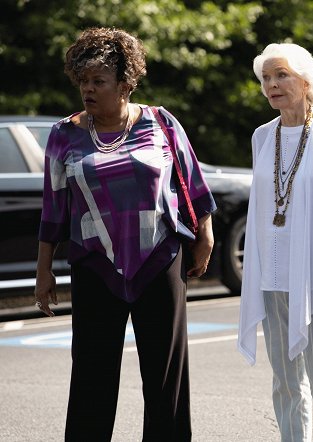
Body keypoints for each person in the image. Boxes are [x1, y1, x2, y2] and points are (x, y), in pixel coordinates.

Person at [34, 27, 216, 441]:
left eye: (99, 81)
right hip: (94, 264)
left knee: (165, 378)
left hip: (159, 260)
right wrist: (44, 271)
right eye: (83, 81)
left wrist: (204, 236)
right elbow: (53, 210)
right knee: (91, 377)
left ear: (126, 83)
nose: (88, 89)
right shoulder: (65, 135)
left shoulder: (161, 122)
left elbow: (193, 184)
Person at [237, 43, 313, 442]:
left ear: (306, 81)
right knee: (285, 380)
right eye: (265, 78)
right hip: (273, 274)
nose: (271, 84)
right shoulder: (261, 136)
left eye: (280, 75)